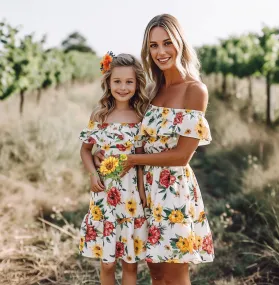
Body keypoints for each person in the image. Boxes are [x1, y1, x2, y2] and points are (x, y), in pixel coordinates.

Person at [94, 14, 214, 285]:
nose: (161, 52)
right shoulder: (152, 90)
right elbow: (132, 134)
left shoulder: (195, 90)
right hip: (142, 191)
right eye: (153, 45)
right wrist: (103, 153)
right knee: (156, 275)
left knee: (174, 276)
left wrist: (130, 159)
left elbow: (182, 156)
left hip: (172, 193)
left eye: (167, 43)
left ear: (180, 43)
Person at [78, 52, 149, 285]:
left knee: (130, 262)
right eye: (117, 81)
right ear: (108, 82)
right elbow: (85, 150)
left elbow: (142, 158)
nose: (123, 87)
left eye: (129, 81)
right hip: (105, 196)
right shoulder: (100, 115)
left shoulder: (142, 116)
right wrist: (92, 173)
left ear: (137, 83)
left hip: (131, 197)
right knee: (107, 262)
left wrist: (142, 192)